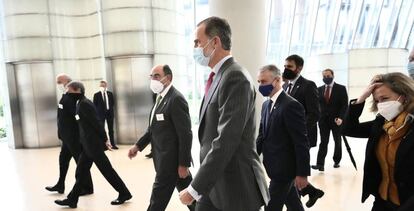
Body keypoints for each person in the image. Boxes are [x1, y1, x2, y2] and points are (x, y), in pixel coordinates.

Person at [179, 16, 269, 211]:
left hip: (235, 187)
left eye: (197, 42)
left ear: (215, 42)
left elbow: (226, 139)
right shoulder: (218, 76)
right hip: (215, 183)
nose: (195, 48)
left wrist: (194, 188)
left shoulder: (235, 76)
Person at [343, 72, 414, 211]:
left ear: (404, 97)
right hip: (383, 199)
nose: (381, 104)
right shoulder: (381, 124)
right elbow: (349, 129)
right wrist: (361, 98)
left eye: (385, 98)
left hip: (408, 202)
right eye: (377, 101)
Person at [128, 65, 195, 211]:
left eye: (157, 76)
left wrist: (183, 164)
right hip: (164, 159)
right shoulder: (160, 98)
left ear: (168, 78)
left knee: (157, 201)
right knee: (193, 198)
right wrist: (138, 146)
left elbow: (185, 134)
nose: (153, 80)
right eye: (151, 76)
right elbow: (153, 128)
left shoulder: (175, 99)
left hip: (171, 162)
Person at [55, 81, 131, 208]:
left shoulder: (85, 104)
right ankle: (72, 199)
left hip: (94, 145)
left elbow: (97, 123)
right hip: (87, 145)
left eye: (69, 91)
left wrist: (105, 139)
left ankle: (124, 193)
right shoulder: (79, 102)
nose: (67, 93)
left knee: (107, 171)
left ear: (77, 90)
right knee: (81, 172)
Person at [257, 65, 324, 210]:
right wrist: (252, 157)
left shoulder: (291, 105)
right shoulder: (266, 105)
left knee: (271, 206)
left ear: (277, 80)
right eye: (259, 82)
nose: (260, 85)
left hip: (285, 170)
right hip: (273, 167)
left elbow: (301, 142)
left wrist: (302, 173)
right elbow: (262, 135)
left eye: (263, 81)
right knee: (294, 204)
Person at [45, 74, 93, 195]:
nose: (58, 85)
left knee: (81, 163)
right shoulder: (66, 96)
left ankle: (87, 188)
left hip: (74, 137)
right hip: (66, 138)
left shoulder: (74, 97)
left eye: (59, 82)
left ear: (67, 82)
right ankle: (60, 185)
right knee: (63, 161)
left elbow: (76, 116)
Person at [312, 69, 348, 171]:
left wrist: (341, 118)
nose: (326, 78)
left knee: (337, 141)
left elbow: (345, 105)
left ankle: (336, 161)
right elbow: (317, 105)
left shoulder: (341, 88)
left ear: (333, 75)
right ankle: (320, 164)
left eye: (328, 76)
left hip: (337, 120)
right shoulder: (319, 89)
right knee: (323, 141)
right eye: (324, 76)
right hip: (323, 121)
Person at [282, 54, 320, 148]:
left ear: (299, 68)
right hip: (285, 136)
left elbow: (314, 114)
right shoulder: (284, 86)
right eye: (285, 66)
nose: (286, 69)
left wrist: (297, 130)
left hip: (301, 136)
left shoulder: (308, 85)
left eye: (290, 66)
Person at [93, 80, 118, 149]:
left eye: (103, 85)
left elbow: (112, 103)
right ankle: (103, 145)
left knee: (111, 129)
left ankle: (113, 144)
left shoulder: (110, 94)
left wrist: (109, 110)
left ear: (106, 86)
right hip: (101, 114)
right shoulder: (96, 95)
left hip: (109, 113)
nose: (102, 87)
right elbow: (95, 105)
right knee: (101, 129)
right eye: (101, 86)